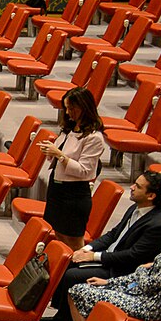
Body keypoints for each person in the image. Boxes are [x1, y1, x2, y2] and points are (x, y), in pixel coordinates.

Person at [40, 170, 161, 321]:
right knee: (69, 261)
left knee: (73, 275)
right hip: (111, 259)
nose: (131, 188)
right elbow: (113, 234)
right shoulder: (135, 208)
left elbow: (132, 256)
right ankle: (61, 317)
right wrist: (87, 249)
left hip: (123, 271)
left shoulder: (158, 225)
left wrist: (95, 257)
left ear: (151, 195)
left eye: (138, 186)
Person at [40, 86, 109, 249]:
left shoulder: (94, 138)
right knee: (58, 234)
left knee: (73, 240)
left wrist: (59, 155)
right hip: (57, 188)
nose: (68, 112)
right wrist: (50, 151)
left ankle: (75, 272)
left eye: (72, 108)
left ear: (84, 108)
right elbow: (58, 155)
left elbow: (84, 171)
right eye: (67, 108)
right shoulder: (69, 129)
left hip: (74, 194)